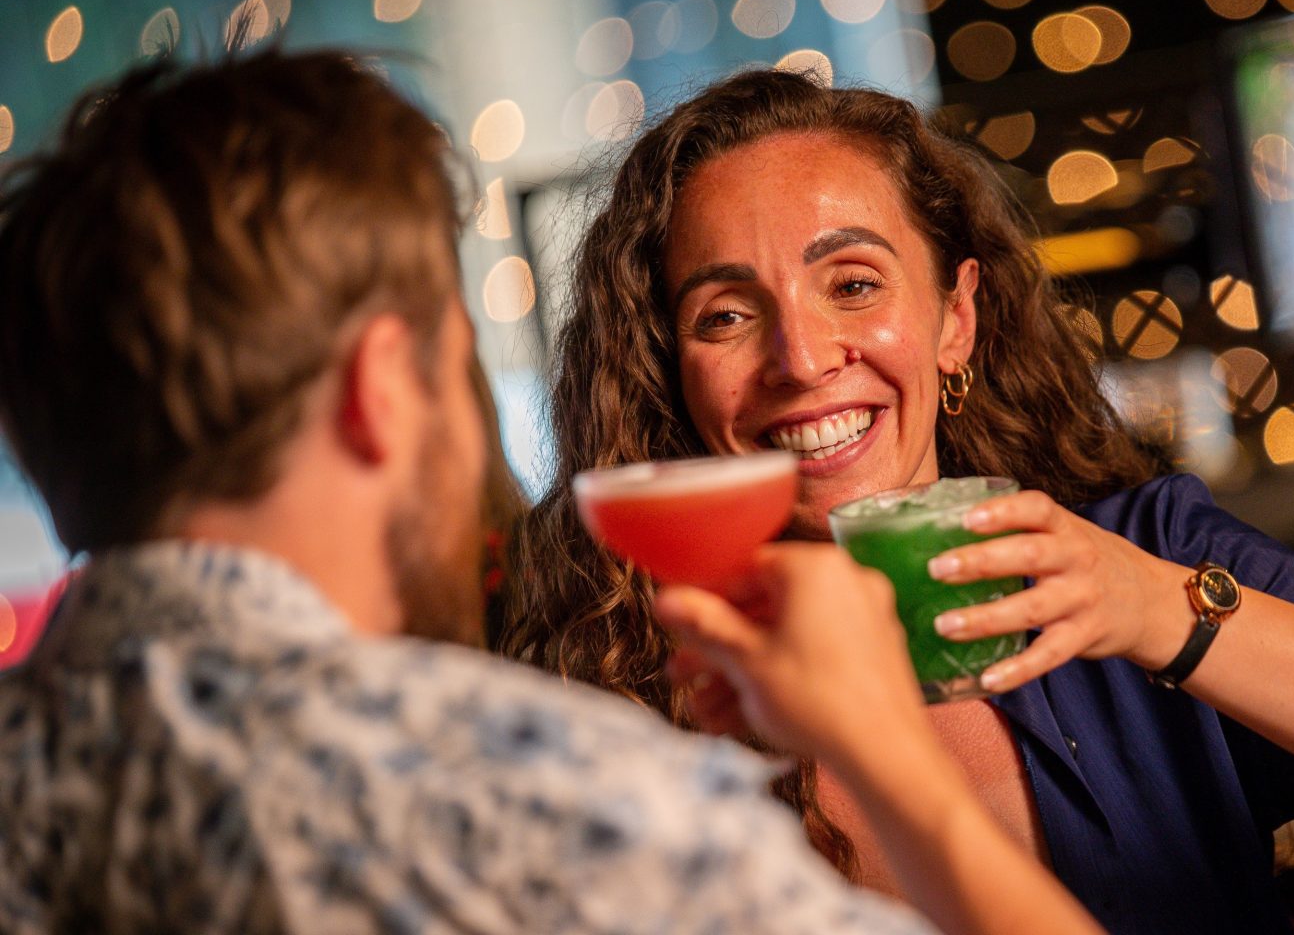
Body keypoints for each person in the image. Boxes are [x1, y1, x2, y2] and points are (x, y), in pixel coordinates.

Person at [0, 51, 1100, 935]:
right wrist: (891, 759)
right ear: (385, 388)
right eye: (453, 356)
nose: (804, 359)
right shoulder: (556, 805)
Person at [503, 68, 1294, 933]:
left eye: (854, 284)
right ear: (670, 378)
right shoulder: (630, 696)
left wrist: (1161, 611)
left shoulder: (1141, 555)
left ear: (955, 318)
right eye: (727, 317)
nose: (803, 356)